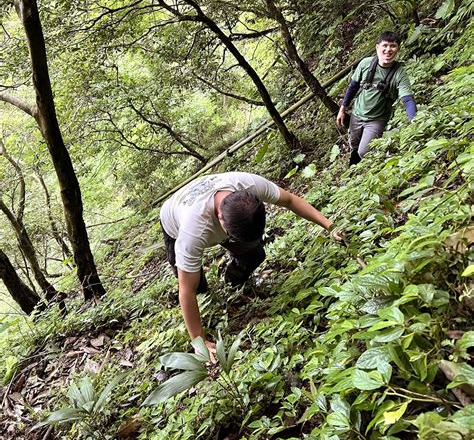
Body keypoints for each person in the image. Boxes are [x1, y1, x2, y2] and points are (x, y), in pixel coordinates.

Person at [160, 171, 340, 355]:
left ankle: (232, 281)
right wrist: (200, 342)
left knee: (254, 253)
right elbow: (186, 290)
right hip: (173, 218)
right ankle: (208, 290)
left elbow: (290, 200)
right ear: (221, 220)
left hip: (212, 204)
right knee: (196, 286)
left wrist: (330, 226)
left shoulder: (248, 184)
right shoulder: (193, 231)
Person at [336, 32, 417, 165]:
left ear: (398, 49)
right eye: (385, 45)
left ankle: (369, 172)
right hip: (357, 114)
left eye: (393, 46)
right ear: (377, 47)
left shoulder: (399, 73)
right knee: (354, 145)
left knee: (364, 151)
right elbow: (353, 87)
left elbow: (407, 99)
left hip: (377, 119)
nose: (388, 50)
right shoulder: (365, 64)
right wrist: (342, 109)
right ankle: (354, 168)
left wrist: (414, 119)